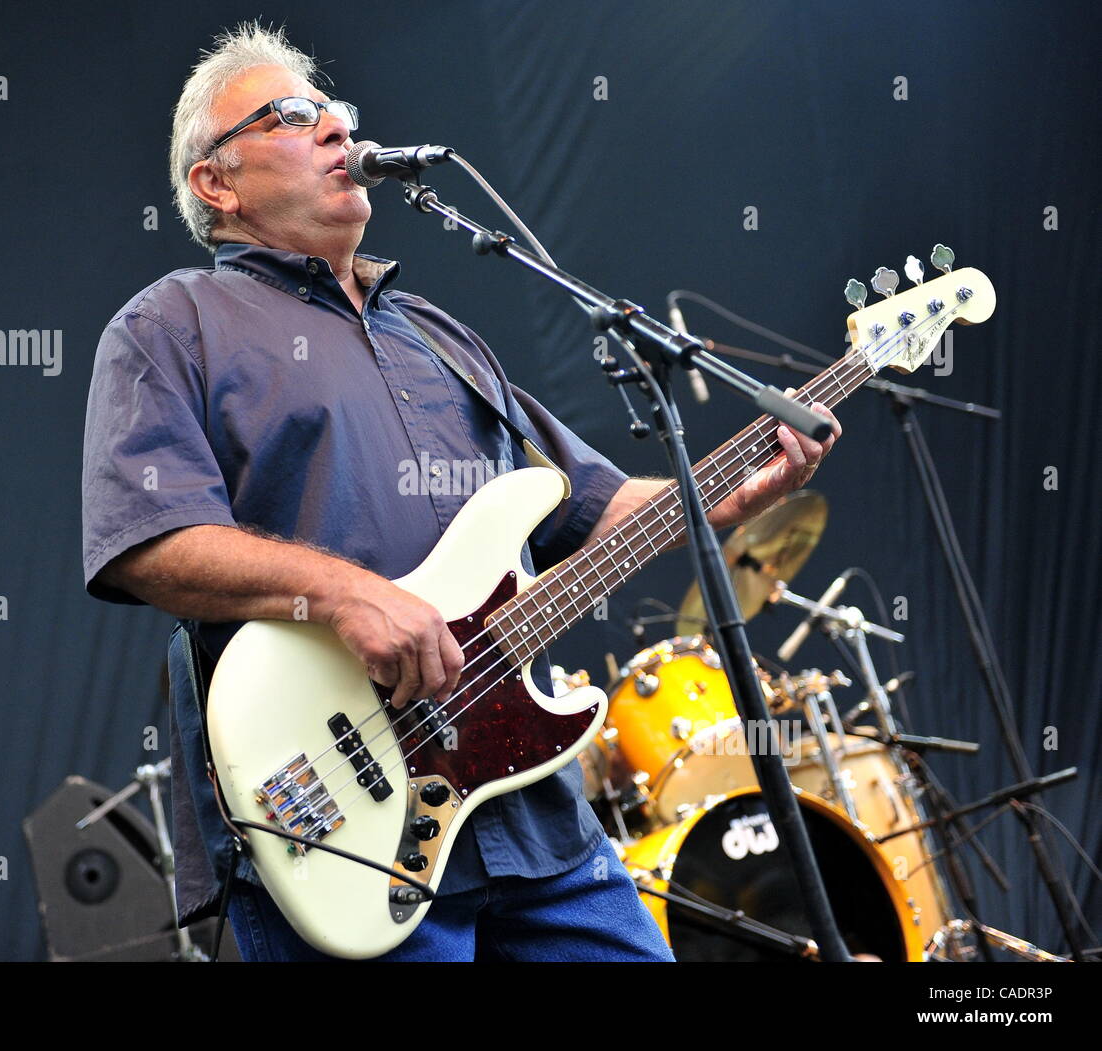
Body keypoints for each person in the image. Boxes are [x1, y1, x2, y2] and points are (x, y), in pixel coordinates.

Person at [80, 23, 840, 962]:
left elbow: (590, 509)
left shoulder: (437, 334)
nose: (333, 128)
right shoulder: (171, 324)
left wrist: (730, 491)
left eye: (338, 113)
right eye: (290, 115)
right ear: (216, 183)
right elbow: (146, 539)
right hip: (345, 832)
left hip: (533, 819)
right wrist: (353, 593)